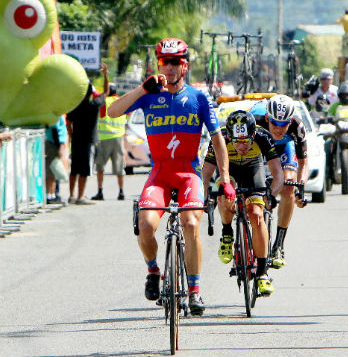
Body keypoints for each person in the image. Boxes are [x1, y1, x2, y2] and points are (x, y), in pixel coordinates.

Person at [107, 37, 235, 316]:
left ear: (185, 65)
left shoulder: (199, 98)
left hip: (189, 172)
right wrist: (142, 89)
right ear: (159, 65)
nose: (170, 68)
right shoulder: (149, 95)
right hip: (160, 173)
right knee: (145, 226)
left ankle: (194, 291)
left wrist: (224, 178)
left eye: (176, 62)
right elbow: (112, 111)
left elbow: (218, 140)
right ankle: (154, 271)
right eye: (165, 62)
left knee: (190, 224)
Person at [202, 110, 283, 295]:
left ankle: (262, 273)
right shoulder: (219, 138)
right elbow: (206, 173)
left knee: (256, 214)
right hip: (228, 171)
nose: (241, 146)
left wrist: (271, 194)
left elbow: (278, 173)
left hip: (253, 170)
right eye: (236, 141)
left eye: (246, 141)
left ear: (253, 134)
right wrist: (207, 196)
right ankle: (227, 232)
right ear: (229, 136)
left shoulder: (263, 136)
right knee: (223, 193)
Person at [250, 95, 309, 268]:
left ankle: (278, 245)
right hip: (258, 145)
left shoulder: (297, 126)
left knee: (289, 186)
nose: (278, 128)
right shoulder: (255, 120)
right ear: (267, 118)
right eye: (274, 123)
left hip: (284, 147)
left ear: (290, 121)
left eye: (284, 124)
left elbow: (304, 162)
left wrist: (301, 190)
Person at [67, 64, 109, 204]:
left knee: (74, 170)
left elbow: (68, 122)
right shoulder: (94, 105)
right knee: (84, 170)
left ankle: (71, 195)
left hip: (77, 141)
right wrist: (105, 76)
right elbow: (106, 92)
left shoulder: (74, 106)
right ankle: (80, 196)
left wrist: (71, 135)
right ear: (90, 93)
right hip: (89, 141)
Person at [91, 79, 126, 201]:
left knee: (100, 166)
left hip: (104, 139)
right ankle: (121, 192)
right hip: (119, 138)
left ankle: (100, 191)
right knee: (120, 167)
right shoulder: (121, 102)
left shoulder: (104, 102)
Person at [45, 115, 68, 204]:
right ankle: (50, 195)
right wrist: (60, 146)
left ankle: (52, 194)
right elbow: (56, 130)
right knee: (52, 171)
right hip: (53, 143)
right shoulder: (56, 115)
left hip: (52, 142)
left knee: (52, 172)